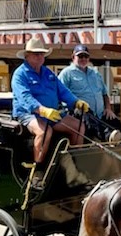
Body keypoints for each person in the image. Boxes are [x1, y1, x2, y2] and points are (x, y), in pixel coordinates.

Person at [11, 38, 89, 166]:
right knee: (44, 131)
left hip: (51, 113)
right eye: (36, 54)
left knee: (79, 126)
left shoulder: (48, 73)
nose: (40, 57)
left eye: (42, 54)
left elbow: (63, 91)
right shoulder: (19, 74)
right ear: (27, 56)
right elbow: (24, 97)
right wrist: (41, 110)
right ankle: (38, 168)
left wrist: (76, 102)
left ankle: (74, 164)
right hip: (28, 114)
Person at [59, 44, 121, 142]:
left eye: (86, 56)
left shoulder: (95, 73)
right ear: (73, 57)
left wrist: (108, 108)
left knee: (115, 122)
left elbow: (104, 94)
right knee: (89, 118)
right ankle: (108, 136)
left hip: (100, 114)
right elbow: (61, 93)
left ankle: (117, 142)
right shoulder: (66, 73)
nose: (83, 59)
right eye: (80, 56)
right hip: (80, 112)